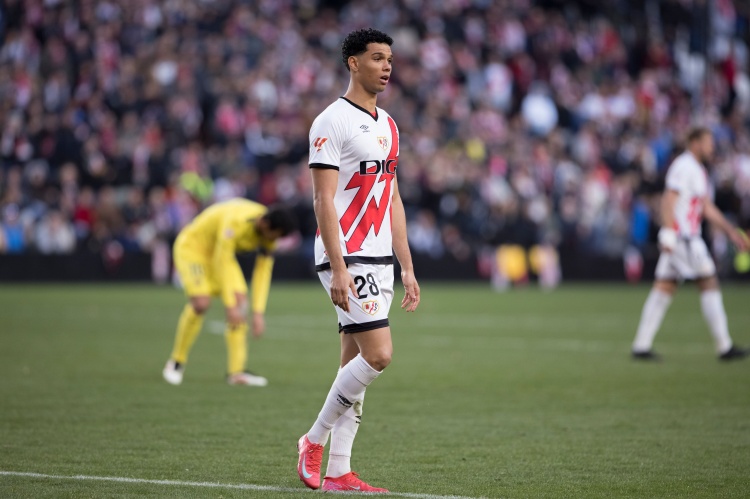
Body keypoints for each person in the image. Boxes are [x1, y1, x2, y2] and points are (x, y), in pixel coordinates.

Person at [296, 28, 420, 493]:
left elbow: (393, 199)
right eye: (376, 58)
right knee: (379, 354)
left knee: (353, 366)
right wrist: (339, 265)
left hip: (380, 257)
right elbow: (322, 200)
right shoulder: (331, 121)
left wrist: (406, 266)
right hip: (347, 254)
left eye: (389, 59)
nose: (386, 67)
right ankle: (313, 439)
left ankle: (339, 471)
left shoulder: (389, 125)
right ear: (353, 62)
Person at [631, 127, 749, 361]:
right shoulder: (684, 166)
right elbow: (668, 200)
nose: (712, 147)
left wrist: (731, 233)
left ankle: (641, 346)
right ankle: (724, 346)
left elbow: (705, 207)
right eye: (708, 142)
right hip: (683, 238)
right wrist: (668, 232)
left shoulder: (696, 169)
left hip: (683, 237)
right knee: (709, 282)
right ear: (695, 142)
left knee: (664, 288)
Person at [162, 198, 297, 386]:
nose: (274, 241)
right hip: (193, 249)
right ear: (265, 224)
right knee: (201, 303)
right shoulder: (236, 222)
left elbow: (262, 272)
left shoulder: (269, 232)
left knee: (241, 304)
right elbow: (222, 260)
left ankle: (236, 372)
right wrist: (229, 304)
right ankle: (176, 362)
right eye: (274, 236)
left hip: (219, 255)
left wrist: (258, 312)